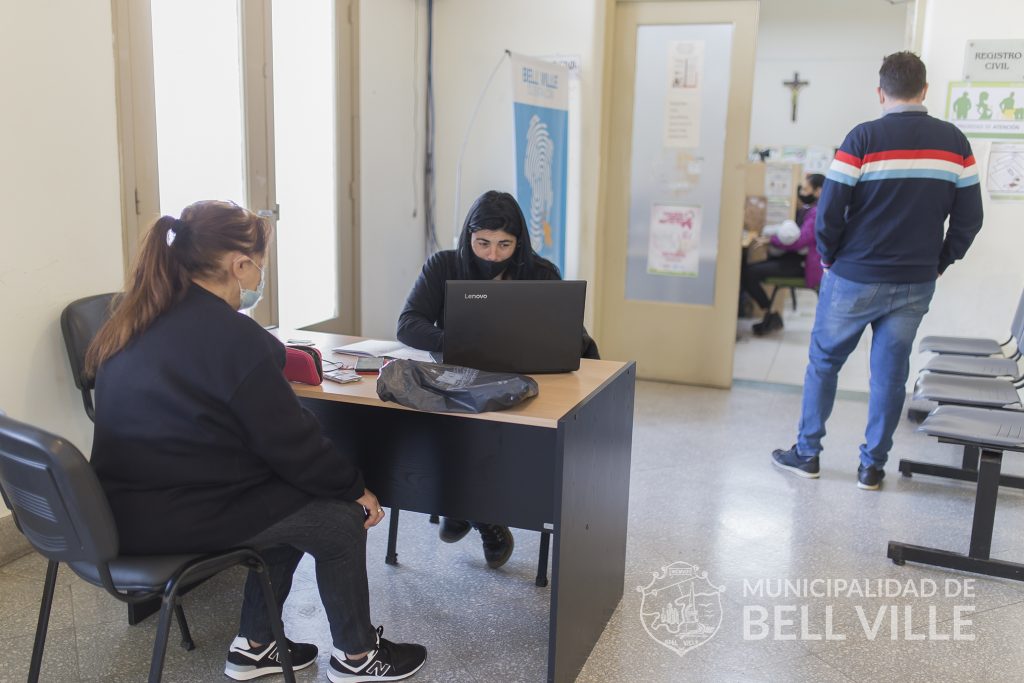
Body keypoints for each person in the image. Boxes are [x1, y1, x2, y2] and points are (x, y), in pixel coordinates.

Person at [86, 200, 427, 682]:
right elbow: (292, 443)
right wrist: (355, 489)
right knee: (338, 521)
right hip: (175, 517)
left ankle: (256, 644)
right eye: (259, 265)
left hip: (122, 511)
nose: (259, 277)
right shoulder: (232, 337)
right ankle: (358, 656)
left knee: (291, 504)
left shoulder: (136, 318)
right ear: (239, 264)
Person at [771, 52, 983, 490]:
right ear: (925, 90)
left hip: (853, 276)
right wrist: (940, 262)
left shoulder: (862, 138)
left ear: (880, 92)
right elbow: (969, 219)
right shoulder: (955, 143)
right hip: (915, 281)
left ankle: (808, 454)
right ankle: (872, 467)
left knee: (824, 363)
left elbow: (828, 212)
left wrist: (829, 258)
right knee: (890, 374)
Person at [396, 190, 598, 568]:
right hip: (459, 380)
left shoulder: (540, 273)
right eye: (482, 243)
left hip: (521, 381)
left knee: (487, 436)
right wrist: (458, 341)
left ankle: (459, 504)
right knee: (449, 434)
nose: (492, 254)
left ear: (519, 242)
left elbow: (567, 334)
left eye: (504, 245)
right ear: (468, 236)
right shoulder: (443, 266)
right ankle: (481, 516)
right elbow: (408, 325)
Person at [740, 173, 826, 335]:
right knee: (751, 271)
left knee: (748, 273)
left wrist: (772, 240)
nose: (802, 192)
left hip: (803, 265)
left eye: (806, 189)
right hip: (797, 260)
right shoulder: (812, 210)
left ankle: (770, 313)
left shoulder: (816, 213)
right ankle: (770, 314)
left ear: (818, 191)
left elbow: (800, 241)